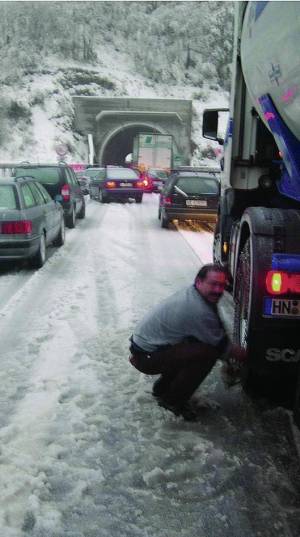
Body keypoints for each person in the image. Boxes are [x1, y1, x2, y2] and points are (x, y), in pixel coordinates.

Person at [129, 263, 246, 420]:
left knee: (194, 344)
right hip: (147, 357)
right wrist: (252, 358)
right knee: (208, 353)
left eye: (222, 285)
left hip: (147, 350)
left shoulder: (195, 294)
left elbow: (216, 330)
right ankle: (171, 402)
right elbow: (222, 347)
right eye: (213, 284)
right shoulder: (197, 309)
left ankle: (162, 389)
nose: (218, 290)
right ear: (198, 282)